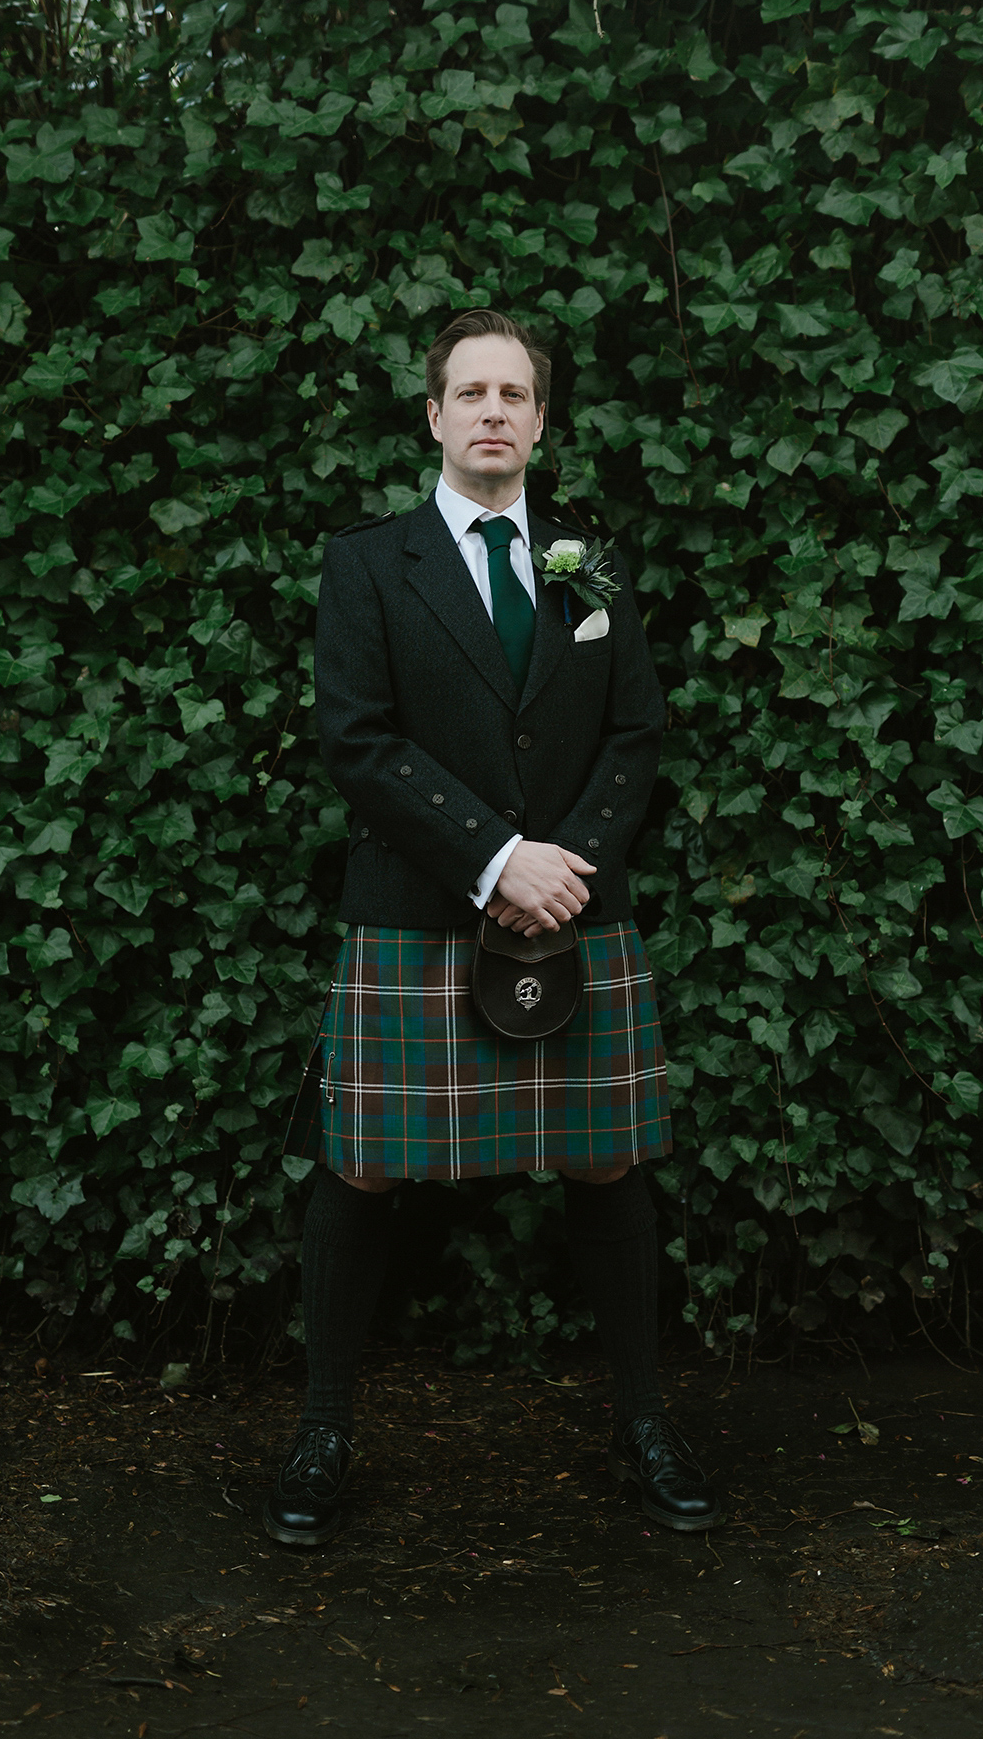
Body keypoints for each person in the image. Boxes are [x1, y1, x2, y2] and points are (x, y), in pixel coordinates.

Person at [262, 309, 724, 1545]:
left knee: (605, 1161)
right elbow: (355, 742)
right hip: (421, 910)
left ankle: (643, 1424)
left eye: (515, 394)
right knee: (361, 1165)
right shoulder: (370, 563)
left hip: (577, 908)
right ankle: (322, 1432)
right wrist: (495, 858)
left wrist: (563, 866)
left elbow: (636, 731)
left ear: (540, 420)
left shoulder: (590, 557)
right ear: (433, 416)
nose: (493, 413)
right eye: (470, 392)